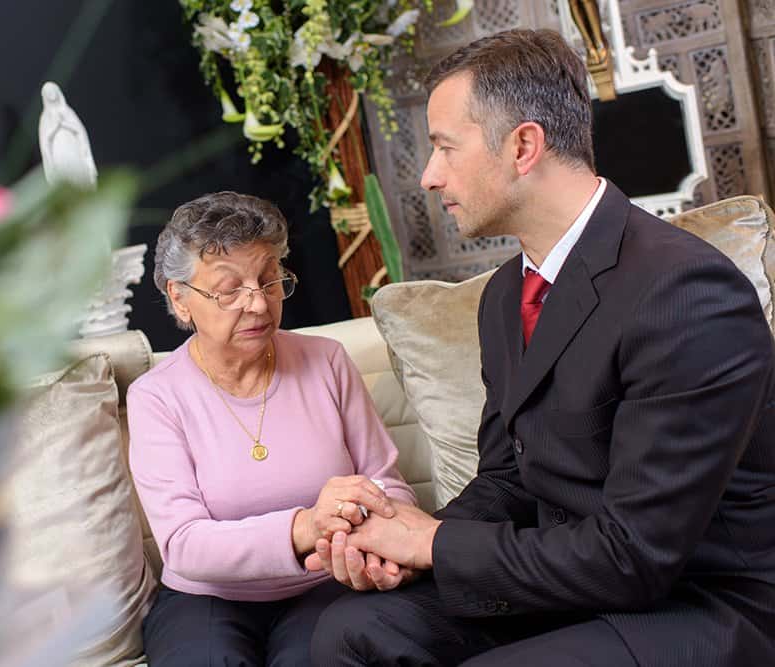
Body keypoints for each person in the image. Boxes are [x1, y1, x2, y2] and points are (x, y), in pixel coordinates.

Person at [307, 29, 775, 666]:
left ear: (523, 145)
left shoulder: (687, 293)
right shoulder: (507, 294)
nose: (427, 176)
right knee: (353, 630)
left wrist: (435, 546)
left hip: (699, 600)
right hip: (573, 580)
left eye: (445, 147)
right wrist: (395, 539)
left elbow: (635, 555)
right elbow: (508, 478)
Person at [126, 191, 417, 666]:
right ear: (179, 299)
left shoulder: (327, 361)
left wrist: (378, 548)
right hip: (208, 598)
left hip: (325, 583)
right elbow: (183, 544)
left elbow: (388, 487)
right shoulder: (156, 397)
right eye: (229, 290)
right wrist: (306, 526)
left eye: (269, 280)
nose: (258, 304)